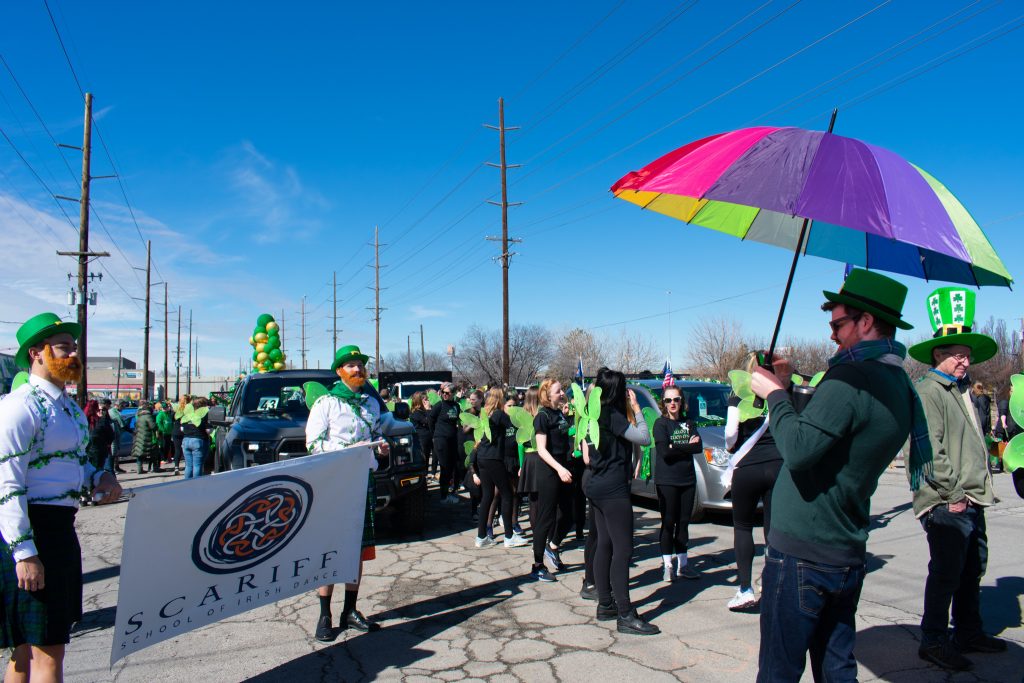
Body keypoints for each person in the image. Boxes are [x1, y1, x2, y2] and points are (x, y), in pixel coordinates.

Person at [748, 269, 932, 682]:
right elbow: (837, 431)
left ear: (865, 322)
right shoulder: (897, 382)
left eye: (837, 324)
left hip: (803, 554)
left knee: (778, 671)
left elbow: (798, 449)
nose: (831, 335)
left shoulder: (851, 377)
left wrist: (774, 394)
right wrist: (789, 383)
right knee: (836, 668)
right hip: (844, 550)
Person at [0, 312, 122, 682]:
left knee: (25, 651)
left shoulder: (68, 408)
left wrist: (101, 477)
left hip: (59, 529)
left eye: (73, 347)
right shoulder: (19, 407)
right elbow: (6, 484)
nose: (72, 354)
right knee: (45, 652)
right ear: (36, 353)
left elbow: (75, 465)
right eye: (63, 347)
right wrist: (25, 552)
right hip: (30, 532)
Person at [907, 287, 1005, 671]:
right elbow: (930, 448)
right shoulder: (930, 391)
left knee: (971, 568)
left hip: (972, 496)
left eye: (967, 355)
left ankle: (968, 631)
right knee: (947, 571)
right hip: (949, 499)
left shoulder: (960, 390)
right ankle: (933, 639)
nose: (966, 361)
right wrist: (952, 494)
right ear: (938, 355)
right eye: (958, 355)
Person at [305, 344, 396, 642]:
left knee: (356, 548)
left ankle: (350, 610)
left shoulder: (370, 403)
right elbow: (313, 444)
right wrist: (348, 450)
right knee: (331, 548)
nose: (358, 369)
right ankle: (324, 614)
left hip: (363, 480)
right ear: (339, 371)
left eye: (360, 364)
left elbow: (373, 435)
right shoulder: (326, 403)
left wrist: (380, 445)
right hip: (334, 483)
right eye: (351, 365)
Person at [588, 369, 657, 635]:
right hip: (613, 488)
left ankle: (605, 603)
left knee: (604, 543)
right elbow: (644, 438)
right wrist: (637, 409)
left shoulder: (593, 415)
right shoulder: (613, 415)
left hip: (596, 484)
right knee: (623, 550)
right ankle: (626, 613)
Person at [723, 351, 784, 611]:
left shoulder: (739, 392)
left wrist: (731, 449)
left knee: (743, 527)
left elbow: (730, 433)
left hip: (747, 467)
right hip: (778, 464)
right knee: (774, 529)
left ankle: (745, 588)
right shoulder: (781, 391)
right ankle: (774, 585)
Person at [653, 383, 703, 583]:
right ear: (663, 403)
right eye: (668, 400)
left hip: (687, 479)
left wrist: (675, 445)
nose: (672, 403)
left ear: (682, 402)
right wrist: (684, 446)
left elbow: (698, 446)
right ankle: (667, 565)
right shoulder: (660, 424)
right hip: (667, 481)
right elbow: (664, 452)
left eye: (676, 399)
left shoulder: (689, 423)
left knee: (683, 523)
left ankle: (683, 564)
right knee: (668, 522)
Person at [529, 379, 574, 582]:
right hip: (549, 472)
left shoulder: (558, 413)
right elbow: (541, 449)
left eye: (561, 390)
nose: (562, 393)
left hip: (565, 468)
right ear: (548, 396)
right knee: (545, 518)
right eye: (558, 391)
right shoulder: (542, 416)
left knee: (568, 514)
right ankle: (538, 565)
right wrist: (559, 468)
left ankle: (552, 546)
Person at [429, 383, 461, 504]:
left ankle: (451, 491)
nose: (444, 395)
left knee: (453, 465)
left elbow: (458, 420)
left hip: (453, 439)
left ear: (453, 394)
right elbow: (431, 420)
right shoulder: (439, 405)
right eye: (443, 392)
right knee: (444, 467)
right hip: (441, 439)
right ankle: (443, 495)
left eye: (447, 393)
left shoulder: (456, 406)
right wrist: (434, 435)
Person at [180, 397, 211, 479]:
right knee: (197, 465)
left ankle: (187, 484)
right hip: (198, 439)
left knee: (188, 465)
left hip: (186, 440)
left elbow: (182, 429)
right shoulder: (204, 414)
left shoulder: (188, 414)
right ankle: (196, 484)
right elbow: (208, 431)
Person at [409, 392, 434, 480]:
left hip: (428, 437)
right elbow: (427, 421)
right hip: (421, 438)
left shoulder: (422, 411)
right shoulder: (416, 412)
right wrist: (428, 410)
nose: (427, 401)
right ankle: (423, 476)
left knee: (428, 457)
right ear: (419, 401)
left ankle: (427, 475)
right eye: (425, 399)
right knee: (424, 458)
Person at [130, 401, 160, 474]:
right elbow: (153, 426)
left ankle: (139, 469)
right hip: (147, 437)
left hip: (138, 436)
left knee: (140, 453)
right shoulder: (148, 416)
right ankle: (155, 467)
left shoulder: (139, 416)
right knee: (153, 452)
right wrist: (157, 427)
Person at [104, 398, 124, 474]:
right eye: (123, 406)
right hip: (112, 435)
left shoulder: (115, 412)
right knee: (112, 452)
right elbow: (121, 423)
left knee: (115, 452)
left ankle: (115, 468)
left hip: (115, 434)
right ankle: (111, 469)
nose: (123, 408)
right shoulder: (112, 412)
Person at [171, 395, 190, 475]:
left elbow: (172, 419)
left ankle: (176, 467)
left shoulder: (176, 409)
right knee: (186, 449)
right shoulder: (189, 408)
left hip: (176, 430)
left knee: (177, 449)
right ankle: (187, 466)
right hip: (186, 430)